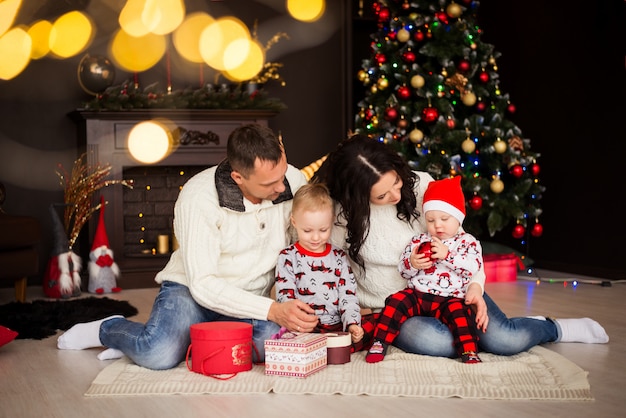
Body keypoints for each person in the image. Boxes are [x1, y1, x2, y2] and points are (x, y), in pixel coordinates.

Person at [312, 134, 609, 359]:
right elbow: (322, 262)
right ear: (356, 196)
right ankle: (502, 325)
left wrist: (476, 288)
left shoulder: (423, 187)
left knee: (504, 342)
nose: (394, 194)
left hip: (453, 287)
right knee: (438, 342)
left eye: (396, 184)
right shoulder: (338, 217)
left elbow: (468, 248)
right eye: (381, 195)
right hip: (402, 308)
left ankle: (551, 327)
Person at [57, 124, 319, 370]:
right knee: (158, 353)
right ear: (238, 176)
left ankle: (184, 340)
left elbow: (304, 246)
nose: (282, 187)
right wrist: (273, 310)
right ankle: (110, 330)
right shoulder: (199, 197)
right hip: (191, 292)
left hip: (247, 300)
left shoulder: (292, 180)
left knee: (277, 346)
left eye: (282, 175)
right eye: (268, 184)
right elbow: (204, 285)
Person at [366, 176, 485, 363]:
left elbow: (472, 268)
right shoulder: (419, 240)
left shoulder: (467, 242)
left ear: (459, 217)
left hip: (451, 298)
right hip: (418, 294)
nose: (437, 225)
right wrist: (413, 263)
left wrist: (448, 256)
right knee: (396, 301)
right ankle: (379, 342)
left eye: (444, 219)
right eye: (431, 220)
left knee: (461, 316)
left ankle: (468, 350)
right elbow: (403, 271)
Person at [275, 183, 364, 344]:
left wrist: (352, 323)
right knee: (274, 336)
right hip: (301, 327)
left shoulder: (338, 257)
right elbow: (285, 297)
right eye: (307, 231)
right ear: (294, 222)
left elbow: (348, 295)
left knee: (372, 330)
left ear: (331, 222)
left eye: (323, 230)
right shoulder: (287, 257)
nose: (316, 238)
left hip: (335, 327)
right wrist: (297, 324)